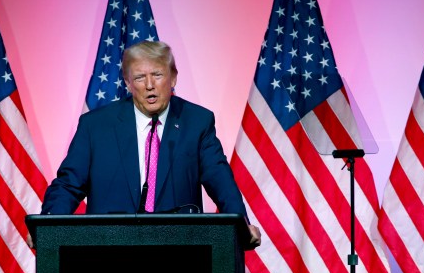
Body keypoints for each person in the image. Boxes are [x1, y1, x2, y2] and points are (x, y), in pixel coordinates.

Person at [38, 40, 261, 247]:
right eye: (139, 78)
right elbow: (69, 184)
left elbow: (219, 179)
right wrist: (46, 227)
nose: (149, 85)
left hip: (179, 249)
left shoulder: (197, 122)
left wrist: (241, 224)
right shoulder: (95, 126)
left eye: (157, 75)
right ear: (127, 82)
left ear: (173, 78)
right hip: (109, 249)